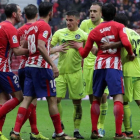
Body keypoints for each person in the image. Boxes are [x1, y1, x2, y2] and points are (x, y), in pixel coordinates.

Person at [10, 2, 76, 140]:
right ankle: (59, 134)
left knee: (27, 99)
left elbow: (25, 46)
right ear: (51, 13)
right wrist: (53, 64)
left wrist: (36, 55)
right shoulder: (45, 26)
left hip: (29, 66)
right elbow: (40, 45)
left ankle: (15, 132)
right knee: (52, 99)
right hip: (41, 68)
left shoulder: (31, 27)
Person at [69, 3, 135, 139]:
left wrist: (79, 47)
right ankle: (118, 133)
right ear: (115, 14)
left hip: (98, 66)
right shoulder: (119, 26)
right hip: (114, 66)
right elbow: (127, 43)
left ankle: (94, 131)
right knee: (118, 97)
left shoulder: (94, 31)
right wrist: (130, 54)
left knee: (96, 99)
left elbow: (84, 54)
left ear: (102, 14)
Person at [101, 13, 140, 139]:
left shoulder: (123, 32)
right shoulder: (135, 33)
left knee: (124, 102)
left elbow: (124, 44)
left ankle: (128, 131)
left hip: (127, 70)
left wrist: (109, 45)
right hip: (138, 69)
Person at [51, 10, 87, 139]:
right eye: (67, 20)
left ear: (77, 20)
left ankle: (76, 130)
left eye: (71, 20)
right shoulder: (59, 33)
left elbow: (93, 50)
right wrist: (56, 49)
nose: (68, 22)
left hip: (76, 73)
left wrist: (80, 47)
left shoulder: (83, 35)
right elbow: (45, 48)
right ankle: (59, 128)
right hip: (60, 73)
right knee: (56, 100)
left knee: (77, 102)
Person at [15, 4, 49, 140]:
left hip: (23, 66)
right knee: (29, 100)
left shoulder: (20, 30)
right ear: (36, 15)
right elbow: (41, 48)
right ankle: (17, 131)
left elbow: (16, 49)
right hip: (34, 66)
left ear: (24, 15)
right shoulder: (38, 28)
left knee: (30, 100)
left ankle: (34, 132)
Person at [0, 3, 29, 140]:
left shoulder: (1, 26)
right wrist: (34, 50)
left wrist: (20, 44)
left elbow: (11, 48)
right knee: (19, 97)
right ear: (13, 14)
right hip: (3, 69)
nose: (21, 14)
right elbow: (17, 51)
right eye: (19, 11)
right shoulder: (9, 27)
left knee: (4, 100)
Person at [79, 2, 109, 137]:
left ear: (101, 13)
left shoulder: (106, 24)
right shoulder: (85, 24)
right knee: (93, 99)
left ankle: (101, 126)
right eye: (90, 11)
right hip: (88, 65)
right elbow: (81, 43)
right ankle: (94, 128)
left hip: (103, 64)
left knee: (103, 96)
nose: (92, 13)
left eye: (95, 11)